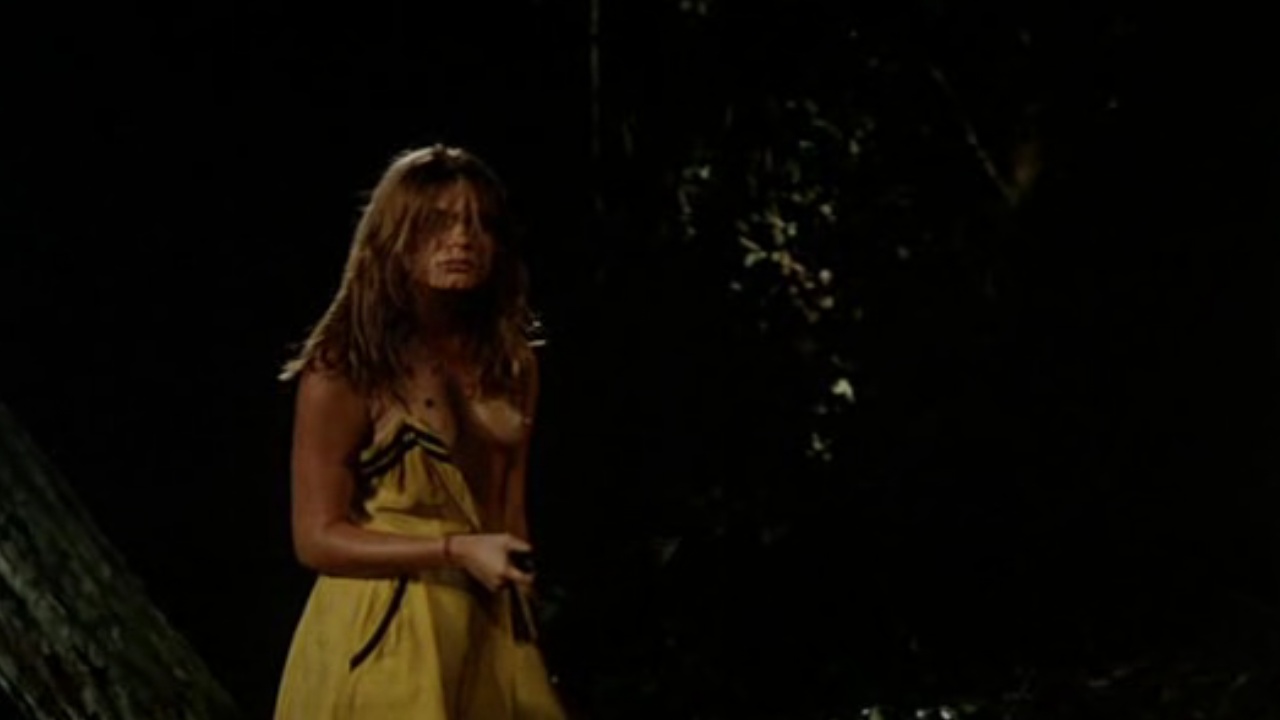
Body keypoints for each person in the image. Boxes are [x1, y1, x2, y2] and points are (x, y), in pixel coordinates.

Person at [273, 145, 566, 719]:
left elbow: (509, 509)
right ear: (396, 237)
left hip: (485, 625)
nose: (462, 240)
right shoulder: (347, 367)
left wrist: (525, 629)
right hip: (383, 626)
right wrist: (452, 550)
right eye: (438, 222)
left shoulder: (511, 362)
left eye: (480, 224)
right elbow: (316, 538)